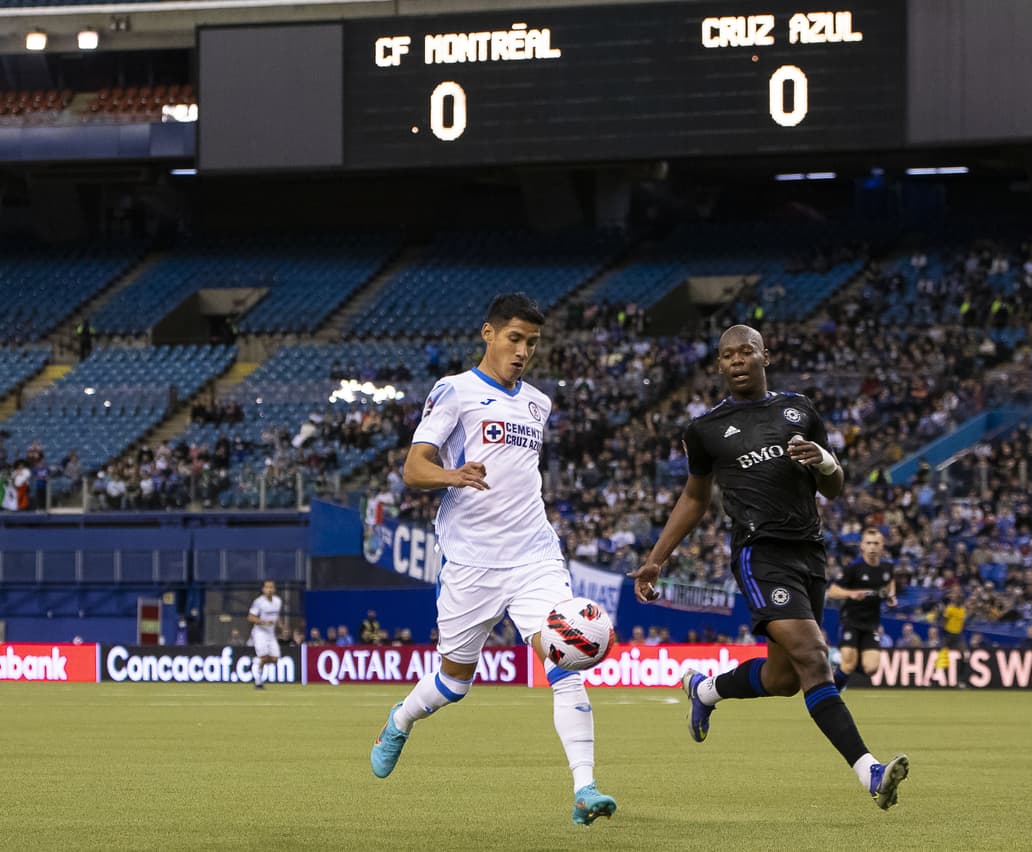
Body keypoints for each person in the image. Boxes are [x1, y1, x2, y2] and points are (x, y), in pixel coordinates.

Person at [629, 325, 908, 811]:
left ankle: (706, 688)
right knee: (814, 655)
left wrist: (823, 460)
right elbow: (694, 499)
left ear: (764, 355)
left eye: (746, 352)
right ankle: (870, 771)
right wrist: (656, 559)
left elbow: (835, 487)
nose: (737, 360)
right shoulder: (706, 429)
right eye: (727, 355)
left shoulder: (798, 411)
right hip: (760, 554)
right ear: (719, 365)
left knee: (783, 679)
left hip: (809, 552)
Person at [368, 293, 616, 826]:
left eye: (532, 342)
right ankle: (400, 720)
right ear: (489, 334)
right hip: (472, 563)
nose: (523, 350)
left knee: (566, 661)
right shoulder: (454, 391)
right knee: (454, 684)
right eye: (515, 338)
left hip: (534, 556)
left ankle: (585, 787)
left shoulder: (539, 403)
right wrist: (451, 475)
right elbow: (414, 468)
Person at [827, 527, 896, 688]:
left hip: (871, 625)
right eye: (869, 543)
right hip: (850, 621)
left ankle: (842, 663)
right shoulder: (853, 568)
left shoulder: (887, 568)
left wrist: (891, 596)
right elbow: (832, 591)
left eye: (876, 543)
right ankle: (830, 694)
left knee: (871, 668)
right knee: (849, 664)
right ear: (862, 546)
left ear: (882, 546)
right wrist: (851, 593)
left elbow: (890, 582)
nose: (872, 547)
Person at [247, 580, 282, 690]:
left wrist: (281, 626)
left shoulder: (278, 601)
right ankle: (258, 682)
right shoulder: (259, 602)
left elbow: (276, 616)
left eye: (271, 587)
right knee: (263, 657)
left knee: (275, 659)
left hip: (271, 634)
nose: (269, 590)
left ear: (274, 589)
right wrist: (263, 622)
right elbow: (250, 617)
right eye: (267, 587)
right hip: (260, 633)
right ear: (263, 589)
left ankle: (254, 661)